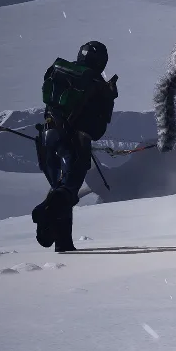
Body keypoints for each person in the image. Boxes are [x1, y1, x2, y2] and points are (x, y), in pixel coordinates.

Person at [32, 41, 119, 252]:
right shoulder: (97, 83)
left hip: (46, 137)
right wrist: (109, 96)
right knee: (68, 191)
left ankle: (63, 244)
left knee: (59, 188)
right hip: (75, 141)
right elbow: (98, 129)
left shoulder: (60, 71)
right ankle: (43, 212)